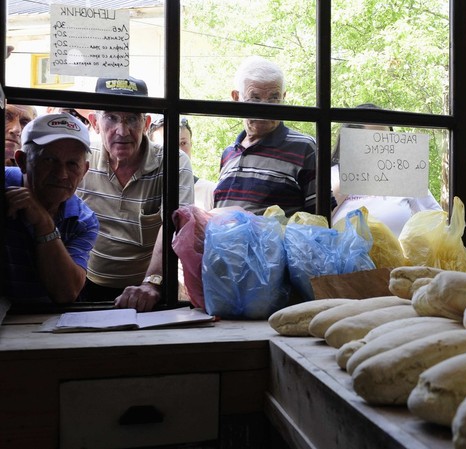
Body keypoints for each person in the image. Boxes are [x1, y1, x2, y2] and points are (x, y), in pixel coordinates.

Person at [77, 76, 194, 311]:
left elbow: (174, 225)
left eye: (132, 118)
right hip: (87, 284)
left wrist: (152, 284)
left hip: (150, 289)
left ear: (146, 123)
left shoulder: (173, 161)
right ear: (95, 122)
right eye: (111, 117)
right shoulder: (82, 157)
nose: (122, 130)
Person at [3, 113, 99, 303]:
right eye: (48, 160)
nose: (62, 174)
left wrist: (44, 223)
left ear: (84, 170)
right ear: (22, 161)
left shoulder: (83, 220)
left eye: (72, 164)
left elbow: (66, 293)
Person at [213, 56, 319, 216]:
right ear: (236, 98)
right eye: (254, 99)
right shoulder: (229, 153)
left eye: (273, 98)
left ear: (283, 97)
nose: (264, 110)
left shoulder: (305, 147)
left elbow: (319, 218)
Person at [330, 104, 442, 237]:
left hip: (400, 257)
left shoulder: (404, 176)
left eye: (387, 139)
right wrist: (348, 183)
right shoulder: (331, 176)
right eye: (374, 139)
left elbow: (439, 223)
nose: (382, 146)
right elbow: (314, 228)